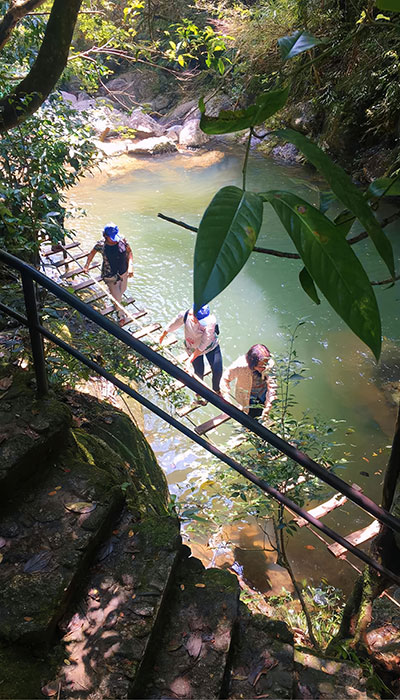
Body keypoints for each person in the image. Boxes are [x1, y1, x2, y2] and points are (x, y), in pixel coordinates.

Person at [159, 305, 223, 401]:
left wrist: (189, 360)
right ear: (192, 315)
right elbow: (172, 325)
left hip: (210, 346)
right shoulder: (185, 315)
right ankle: (200, 394)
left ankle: (216, 390)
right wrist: (162, 336)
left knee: (217, 370)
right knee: (198, 372)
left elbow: (204, 345)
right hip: (192, 346)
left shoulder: (210, 322)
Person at [83, 223, 133, 326]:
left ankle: (115, 300)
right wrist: (87, 265)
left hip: (123, 272)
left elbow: (130, 252)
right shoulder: (101, 245)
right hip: (110, 275)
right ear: (105, 236)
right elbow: (92, 253)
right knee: (118, 297)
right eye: (112, 237)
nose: (115, 240)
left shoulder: (122, 240)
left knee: (122, 291)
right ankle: (121, 315)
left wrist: (131, 267)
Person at [220, 344, 276, 419]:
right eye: (261, 366)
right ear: (252, 363)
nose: (264, 368)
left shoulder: (269, 365)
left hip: (263, 394)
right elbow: (224, 379)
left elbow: (272, 388)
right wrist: (226, 397)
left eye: (265, 365)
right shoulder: (240, 366)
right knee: (250, 415)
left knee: (261, 413)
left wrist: (268, 407)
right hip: (247, 397)